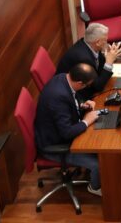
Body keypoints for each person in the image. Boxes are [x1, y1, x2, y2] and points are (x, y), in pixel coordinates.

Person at [35, 63, 102, 196]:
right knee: (98, 164)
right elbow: (66, 133)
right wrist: (87, 121)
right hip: (55, 145)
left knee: (100, 147)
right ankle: (94, 187)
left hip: (56, 132)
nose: (86, 88)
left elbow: (71, 99)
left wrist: (81, 105)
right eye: (86, 85)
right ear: (79, 83)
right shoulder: (58, 97)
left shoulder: (63, 77)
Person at [55, 23, 121, 101]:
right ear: (98, 42)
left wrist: (109, 56)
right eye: (105, 40)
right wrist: (109, 63)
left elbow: (99, 69)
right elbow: (98, 86)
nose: (107, 43)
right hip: (75, 95)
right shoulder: (84, 59)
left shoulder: (89, 44)